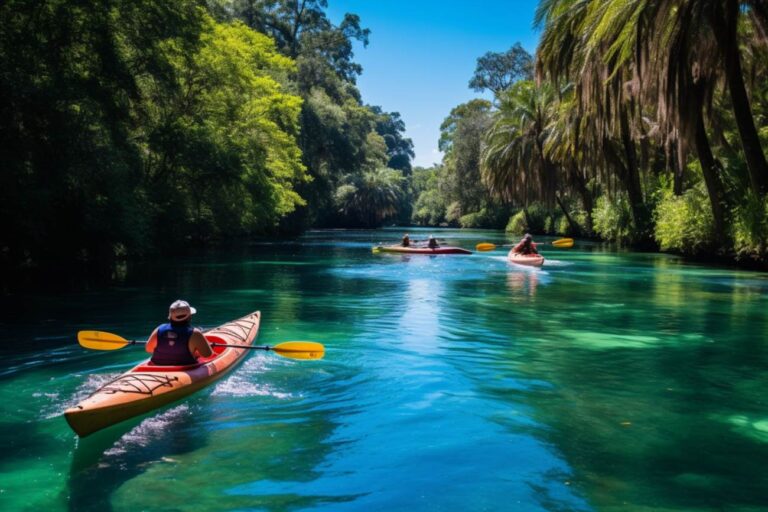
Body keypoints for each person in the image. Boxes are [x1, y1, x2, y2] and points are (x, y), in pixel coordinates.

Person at [145, 300, 213, 365]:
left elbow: (149, 349)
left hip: (158, 366)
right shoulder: (195, 333)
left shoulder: (159, 329)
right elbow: (207, 354)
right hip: (186, 368)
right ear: (189, 316)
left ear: (170, 316)